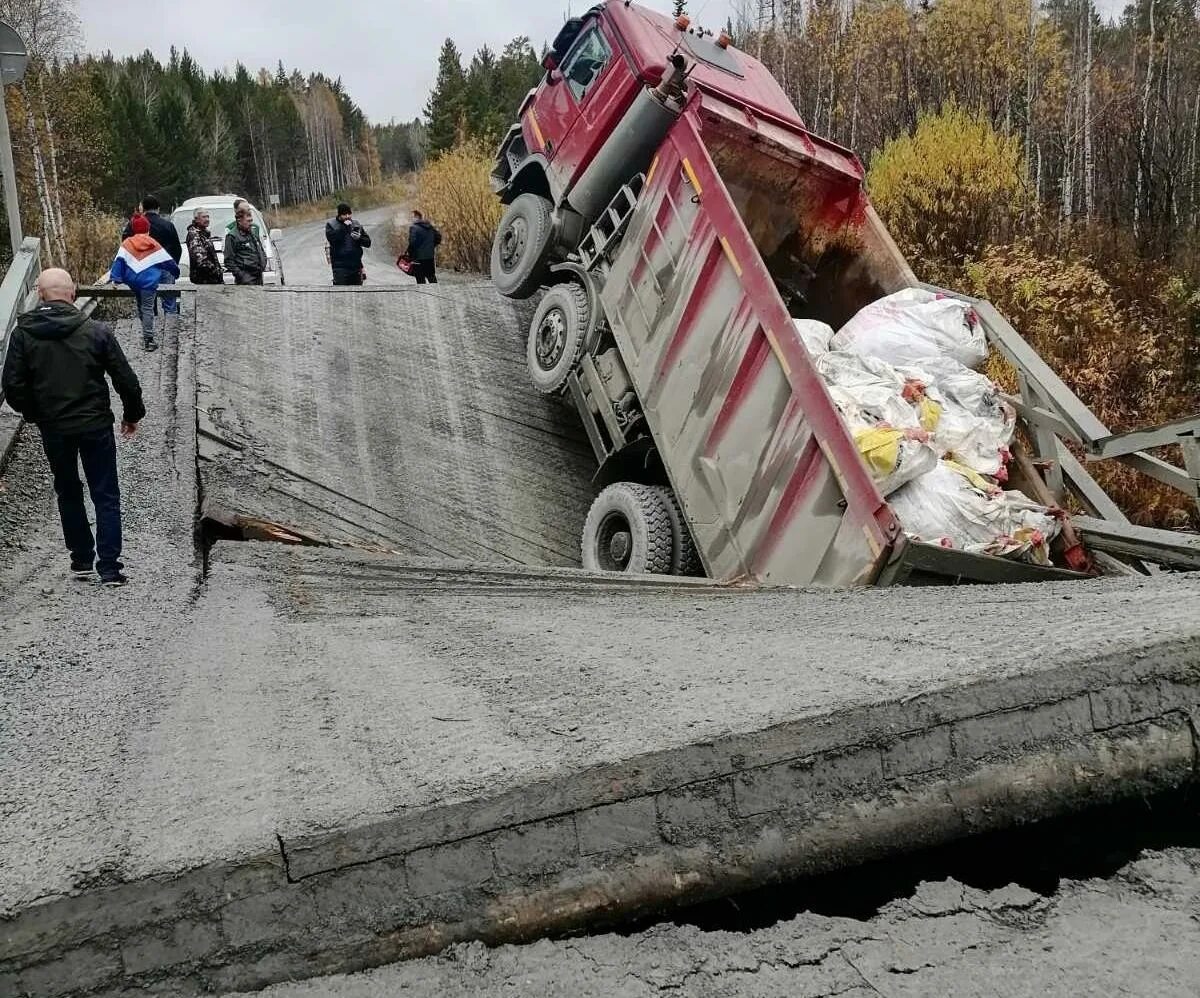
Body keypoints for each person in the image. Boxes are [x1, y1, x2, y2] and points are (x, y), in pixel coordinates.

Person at [1, 268, 144, 588]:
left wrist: (37, 413)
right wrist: (131, 415)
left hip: (55, 428)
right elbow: (126, 380)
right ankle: (109, 567)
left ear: (40, 294)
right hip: (95, 424)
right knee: (105, 493)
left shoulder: (23, 334)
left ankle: (80, 558)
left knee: (67, 490)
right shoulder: (95, 331)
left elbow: (12, 386)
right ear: (73, 293)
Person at [110, 213, 180, 352]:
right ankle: (148, 339)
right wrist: (175, 271)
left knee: (141, 304)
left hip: (133, 281)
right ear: (148, 229)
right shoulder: (153, 243)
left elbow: (119, 262)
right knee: (147, 307)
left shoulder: (127, 243)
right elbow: (166, 260)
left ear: (134, 229)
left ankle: (145, 328)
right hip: (149, 282)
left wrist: (116, 279)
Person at [121, 195, 181, 314]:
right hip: (165, 267)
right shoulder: (168, 225)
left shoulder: (133, 225)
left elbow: (125, 244)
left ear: (143, 208)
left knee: (147, 302)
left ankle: (150, 329)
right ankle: (171, 329)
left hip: (143, 268)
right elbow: (177, 248)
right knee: (169, 301)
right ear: (158, 208)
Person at [325, 203, 371, 286]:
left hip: (355, 266)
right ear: (339, 215)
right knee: (341, 294)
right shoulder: (331, 225)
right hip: (340, 267)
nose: (347, 216)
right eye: (344, 214)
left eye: (349, 214)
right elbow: (332, 239)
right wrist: (344, 228)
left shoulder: (356, 224)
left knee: (357, 293)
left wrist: (359, 238)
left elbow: (368, 243)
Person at [224, 208, 267, 285]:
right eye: (248, 221)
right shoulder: (232, 236)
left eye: (251, 220)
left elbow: (260, 249)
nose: (251, 223)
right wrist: (242, 276)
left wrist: (263, 262)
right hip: (245, 279)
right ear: (239, 221)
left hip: (258, 276)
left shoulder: (252, 233)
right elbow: (228, 261)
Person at [185, 208, 222, 285]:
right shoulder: (194, 234)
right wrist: (216, 271)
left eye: (208, 217)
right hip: (204, 280)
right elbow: (201, 260)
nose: (207, 219)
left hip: (212, 280)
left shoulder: (204, 233)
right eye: (204, 217)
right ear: (196, 219)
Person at [405, 209, 441, 285]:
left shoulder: (414, 227)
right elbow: (438, 237)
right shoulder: (429, 226)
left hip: (418, 257)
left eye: (412, 216)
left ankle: (423, 296)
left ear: (416, 217)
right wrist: (431, 246)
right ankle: (437, 292)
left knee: (420, 279)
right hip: (429, 256)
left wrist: (410, 254)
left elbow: (412, 242)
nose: (411, 219)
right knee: (431, 276)